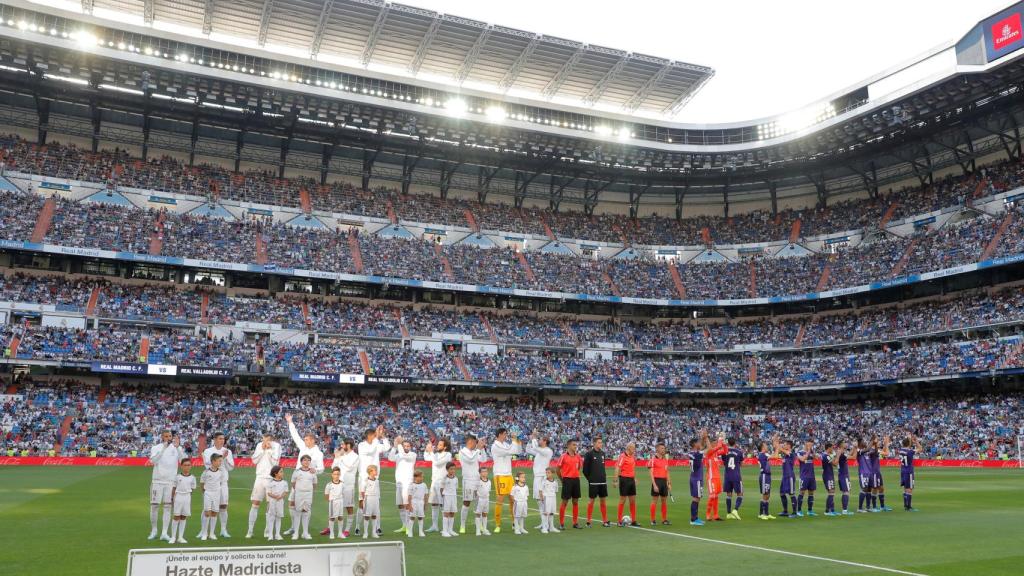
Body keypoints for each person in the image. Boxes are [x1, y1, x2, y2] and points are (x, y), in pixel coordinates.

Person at [284, 414, 324, 536]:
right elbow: (295, 436)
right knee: (291, 503)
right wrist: (290, 422)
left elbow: (321, 468)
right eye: (305, 439)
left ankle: (305, 531)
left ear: (313, 440)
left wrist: (314, 470)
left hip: (308, 481)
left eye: (307, 439)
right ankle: (293, 527)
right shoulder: (303, 447)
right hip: (297, 479)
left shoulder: (318, 453)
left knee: (306, 507)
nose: (305, 441)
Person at [148, 429, 184, 541]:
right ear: (162, 437)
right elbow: (153, 461)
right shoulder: (156, 448)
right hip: (157, 481)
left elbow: (183, 461)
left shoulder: (176, 448)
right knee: (154, 506)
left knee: (168, 507)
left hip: (170, 481)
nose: (168, 438)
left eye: (170, 436)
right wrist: (163, 448)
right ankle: (154, 531)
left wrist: (178, 448)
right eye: (166, 436)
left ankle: (164, 532)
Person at [357, 426, 390, 535]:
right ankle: (358, 527)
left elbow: (387, 447)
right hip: (364, 478)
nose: (375, 436)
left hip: (375, 478)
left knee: (376, 503)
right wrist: (377, 437)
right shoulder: (361, 445)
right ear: (369, 436)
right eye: (374, 435)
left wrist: (383, 436)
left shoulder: (376, 444)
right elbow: (370, 451)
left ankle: (377, 527)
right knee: (362, 502)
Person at [201, 432, 234, 538]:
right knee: (207, 508)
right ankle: (203, 531)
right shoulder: (208, 451)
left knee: (223, 506)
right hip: (211, 483)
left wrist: (225, 459)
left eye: (223, 439)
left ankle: (223, 530)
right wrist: (221, 458)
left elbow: (231, 468)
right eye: (220, 438)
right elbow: (207, 465)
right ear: (214, 440)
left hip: (223, 483)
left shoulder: (228, 451)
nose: (222, 440)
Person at [247, 433, 281, 539]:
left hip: (271, 479)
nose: (265, 442)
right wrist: (262, 450)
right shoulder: (259, 445)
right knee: (255, 503)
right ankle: (250, 531)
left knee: (270, 505)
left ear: (271, 440)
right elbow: (254, 461)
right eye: (264, 440)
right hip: (259, 477)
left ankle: (267, 531)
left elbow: (275, 463)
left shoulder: (277, 446)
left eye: (267, 440)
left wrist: (269, 450)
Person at [490, 427, 522, 534]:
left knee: (513, 499)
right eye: (504, 434)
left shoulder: (506, 444)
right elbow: (510, 451)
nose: (506, 436)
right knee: (500, 500)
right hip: (500, 475)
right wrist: (514, 440)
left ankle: (514, 523)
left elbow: (517, 451)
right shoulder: (495, 446)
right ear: (499, 434)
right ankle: (497, 524)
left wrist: (518, 441)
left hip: (509, 475)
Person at [457, 434, 486, 534]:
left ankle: (480, 524)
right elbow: (470, 459)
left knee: (479, 503)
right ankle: (462, 525)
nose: (476, 444)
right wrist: (478, 449)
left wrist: (482, 449)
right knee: (466, 503)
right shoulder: (462, 451)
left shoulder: (475, 452)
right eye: (475, 442)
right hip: (468, 480)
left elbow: (484, 459)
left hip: (477, 480)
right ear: (470, 442)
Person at [388, 437, 416, 534]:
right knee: (400, 505)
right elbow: (390, 458)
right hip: (399, 483)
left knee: (406, 504)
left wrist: (399, 445)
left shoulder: (413, 455)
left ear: (410, 447)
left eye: (408, 446)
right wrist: (394, 447)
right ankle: (404, 525)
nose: (406, 447)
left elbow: (404, 456)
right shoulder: (399, 454)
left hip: (407, 483)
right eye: (405, 446)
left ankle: (409, 527)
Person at [526, 431, 553, 528]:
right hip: (537, 477)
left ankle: (548, 523)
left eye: (540, 440)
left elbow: (535, 447)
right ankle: (543, 522)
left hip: (543, 477)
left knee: (544, 500)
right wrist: (530, 440)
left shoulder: (548, 451)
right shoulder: (539, 451)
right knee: (539, 500)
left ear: (545, 441)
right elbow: (528, 449)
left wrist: (534, 437)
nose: (538, 441)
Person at [424, 438, 452, 533]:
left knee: (443, 505)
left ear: (445, 447)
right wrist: (427, 449)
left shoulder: (448, 455)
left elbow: (436, 463)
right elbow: (426, 458)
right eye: (438, 444)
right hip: (434, 482)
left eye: (440, 445)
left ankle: (446, 528)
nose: (437, 446)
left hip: (442, 483)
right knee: (434, 504)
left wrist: (431, 452)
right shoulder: (435, 455)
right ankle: (434, 526)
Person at [582, 436, 610, 527]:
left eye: (601, 442)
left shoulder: (602, 453)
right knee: (591, 501)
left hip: (602, 481)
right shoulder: (589, 454)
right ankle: (588, 521)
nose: (601, 444)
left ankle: (605, 521)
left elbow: (603, 467)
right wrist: (590, 479)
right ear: (594, 443)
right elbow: (585, 470)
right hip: (593, 482)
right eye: (599, 442)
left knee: (603, 501)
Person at [333, 439, 360, 536]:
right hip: (338, 484)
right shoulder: (342, 456)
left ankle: (347, 529)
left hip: (348, 485)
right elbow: (333, 468)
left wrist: (340, 457)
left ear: (348, 445)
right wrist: (336, 458)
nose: (341, 446)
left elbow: (349, 467)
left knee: (349, 507)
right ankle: (330, 527)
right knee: (335, 506)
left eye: (342, 444)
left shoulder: (355, 456)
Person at [685, 431, 711, 526]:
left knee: (696, 498)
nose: (700, 444)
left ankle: (695, 518)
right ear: (695, 444)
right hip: (697, 479)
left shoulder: (692, 453)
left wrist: (703, 438)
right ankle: (693, 519)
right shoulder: (697, 454)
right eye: (698, 443)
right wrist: (706, 437)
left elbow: (702, 447)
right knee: (696, 499)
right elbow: (709, 448)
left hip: (693, 477)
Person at [556, 438, 583, 529]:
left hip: (576, 480)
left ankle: (575, 523)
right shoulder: (563, 456)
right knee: (565, 501)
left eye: (576, 445)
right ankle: (561, 523)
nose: (575, 446)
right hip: (567, 480)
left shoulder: (578, 456)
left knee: (575, 501)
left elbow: (578, 468)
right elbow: (557, 469)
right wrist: (562, 479)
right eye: (573, 445)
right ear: (568, 446)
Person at [168, 457, 196, 545]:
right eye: (185, 465)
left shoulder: (192, 478)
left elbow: (192, 488)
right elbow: (174, 488)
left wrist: (188, 496)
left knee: (184, 516)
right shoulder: (177, 477)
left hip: (187, 497)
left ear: (191, 466)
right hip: (178, 497)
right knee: (176, 517)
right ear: (181, 466)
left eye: (189, 465)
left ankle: (180, 537)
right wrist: (172, 499)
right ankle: (173, 537)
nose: (187, 467)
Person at [199, 453, 226, 541]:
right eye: (219, 461)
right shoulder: (206, 472)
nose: (220, 463)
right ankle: (204, 533)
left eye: (221, 461)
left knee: (214, 513)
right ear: (213, 461)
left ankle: (211, 533)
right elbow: (202, 483)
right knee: (207, 513)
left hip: (217, 494)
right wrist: (205, 492)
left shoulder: (221, 472)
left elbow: (220, 482)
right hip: (208, 494)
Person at [290, 454, 317, 540]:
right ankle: (296, 533)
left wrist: (309, 491)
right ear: (301, 462)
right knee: (298, 512)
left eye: (308, 460)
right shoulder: (297, 472)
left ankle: (305, 533)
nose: (306, 462)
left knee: (306, 512)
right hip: (299, 494)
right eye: (305, 460)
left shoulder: (313, 472)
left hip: (308, 494)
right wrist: (299, 490)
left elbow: (315, 484)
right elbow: (293, 483)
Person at [704, 432, 728, 521]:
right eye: (713, 443)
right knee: (712, 496)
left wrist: (724, 443)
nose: (715, 444)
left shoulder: (716, 454)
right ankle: (708, 514)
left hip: (717, 477)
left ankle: (716, 515)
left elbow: (725, 451)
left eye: (715, 443)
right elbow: (718, 447)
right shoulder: (709, 453)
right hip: (711, 478)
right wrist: (720, 439)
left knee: (716, 497)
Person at [614, 442, 638, 527]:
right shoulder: (622, 456)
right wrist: (615, 480)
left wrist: (634, 478)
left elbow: (632, 468)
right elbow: (617, 467)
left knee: (632, 500)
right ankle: (619, 521)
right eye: (633, 448)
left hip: (631, 480)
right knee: (622, 500)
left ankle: (633, 521)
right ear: (629, 448)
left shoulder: (632, 457)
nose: (634, 450)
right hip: (624, 479)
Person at [649, 442, 671, 526]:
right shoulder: (653, 459)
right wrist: (654, 484)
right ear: (657, 449)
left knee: (664, 501)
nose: (663, 450)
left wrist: (669, 483)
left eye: (664, 448)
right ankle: (652, 520)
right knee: (654, 501)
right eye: (662, 448)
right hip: (657, 481)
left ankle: (664, 519)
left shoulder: (665, 460)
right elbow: (651, 473)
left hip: (664, 481)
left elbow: (667, 472)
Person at [898, 435, 922, 511]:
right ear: (909, 444)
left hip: (903, 470)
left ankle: (905, 505)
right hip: (909, 471)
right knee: (909, 488)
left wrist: (910, 440)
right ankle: (909, 507)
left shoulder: (901, 450)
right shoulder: (910, 451)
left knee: (905, 488)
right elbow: (920, 449)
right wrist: (916, 441)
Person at [723, 437, 744, 520]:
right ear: (735, 443)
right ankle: (735, 510)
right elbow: (741, 464)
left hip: (727, 475)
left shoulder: (725, 452)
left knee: (729, 494)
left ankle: (728, 513)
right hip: (736, 475)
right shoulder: (739, 452)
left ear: (728, 443)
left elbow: (724, 463)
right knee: (740, 493)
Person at [756, 438, 777, 520]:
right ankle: (761, 514)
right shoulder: (762, 455)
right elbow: (775, 456)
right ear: (762, 447)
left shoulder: (765, 454)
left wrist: (776, 447)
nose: (767, 446)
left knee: (767, 495)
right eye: (765, 445)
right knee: (765, 495)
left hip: (767, 476)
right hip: (764, 475)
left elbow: (774, 455)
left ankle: (766, 513)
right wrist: (777, 447)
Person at [265, 465, 288, 541]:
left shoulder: (284, 483)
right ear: (275, 473)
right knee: (271, 517)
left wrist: (280, 497)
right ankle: (270, 535)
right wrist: (275, 497)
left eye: (282, 471)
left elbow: (285, 492)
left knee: (279, 517)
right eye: (281, 472)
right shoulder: (270, 483)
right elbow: (269, 493)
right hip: (272, 501)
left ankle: (277, 534)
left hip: (280, 502)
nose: (282, 473)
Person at [795, 440, 816, 517]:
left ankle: (810, 510)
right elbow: (802, 459)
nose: (810, 446)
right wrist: (808, 451)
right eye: (809, 444)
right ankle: (799, 510)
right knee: (802, 492)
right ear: (805, 443)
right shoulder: (800, 452)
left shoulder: (811, 452)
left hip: (812, 476)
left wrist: (812, 451)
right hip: (804, 476)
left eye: (812, 445)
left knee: (811, 493)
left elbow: (816, 458)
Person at [324, 467, 346, 539]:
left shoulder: (342, 484)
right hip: (333, 502)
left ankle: (340, 533)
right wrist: (331, 501)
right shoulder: (329, 485)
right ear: (332, 475)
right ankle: (332, 533)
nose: (336, 476)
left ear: (340, 475)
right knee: (332, 518)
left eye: (338, 474)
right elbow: (326, 495)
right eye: (335, 474)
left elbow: (344, 493)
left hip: (340, 501)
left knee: (340, 517)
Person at [360, 464, 381, 540]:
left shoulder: (377, 481)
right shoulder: (365, 481)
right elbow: (362, 491)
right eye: (375, 470)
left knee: (374, 515)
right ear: (370, 471)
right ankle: (365, 532)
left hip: (376, 499)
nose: (377, 471)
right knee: (367, 516)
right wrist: (363, 500)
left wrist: (378, 498)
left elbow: (378, 490)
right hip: (368, 498)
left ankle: (373, 532)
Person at [440, 461, 460, 537]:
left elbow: (456, 488)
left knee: (452, 513)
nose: (453, 471)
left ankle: (450, 530)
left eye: (454, 469)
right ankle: (444, 531)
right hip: (447, 496)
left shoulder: (456, 479)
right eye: (451, 469)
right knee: (446, 513)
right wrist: (443, 497)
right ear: (447, 470)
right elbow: (441, 488)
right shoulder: (444, 478)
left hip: (453, 497)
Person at [407, 470, 428, 537]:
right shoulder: (412, 485)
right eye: (420, 477)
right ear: (415, 477)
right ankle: (410, 532)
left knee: (420, 517)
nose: (422, 478)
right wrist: (410, 505)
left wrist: (425, 504)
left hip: (421, 502)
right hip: (414, 502)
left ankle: (420, 532)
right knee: (412, 517)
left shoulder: (424, 485)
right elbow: (409, 496)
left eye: (422, 477)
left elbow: (426, 495)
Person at [539, 466, 560, 534]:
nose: (547, 474)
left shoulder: (555, 482)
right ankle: (544, 528)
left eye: (548, 473)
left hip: (553, 498)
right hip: (546, 498)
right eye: (546, 473)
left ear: (553, 473)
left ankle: (551, 527)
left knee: (551, 513)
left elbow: (556, 490)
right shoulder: (544, 481)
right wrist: (542, 498)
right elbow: (540, 490)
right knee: (545, 513)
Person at [779, 440, 797, 518]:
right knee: (782, 493)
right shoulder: (785, 455)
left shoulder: (791, 454)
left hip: (790, 477)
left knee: (791, 494)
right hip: (784, 477)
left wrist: (778, 445)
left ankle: (794, 512)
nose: (783, 445)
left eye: (785, 444)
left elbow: (781, 449)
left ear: (789, 446)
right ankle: (785, 511)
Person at [837, 440, 854, 515]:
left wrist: (853, 448)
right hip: (844, 475)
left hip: (841, 474)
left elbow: (848, 455)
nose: (846, 444)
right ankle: (845, 510)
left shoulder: (840, 452)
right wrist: (855, 448)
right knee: (846, 492)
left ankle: (844, 509)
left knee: (845, 492)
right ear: (841, 445)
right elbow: (853, 457)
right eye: (844, 443)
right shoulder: (841, 453)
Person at [475, 467, 493, 536]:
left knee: (485, 514)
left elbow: (488, 490)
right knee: (478, 514)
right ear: (480, 473)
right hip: (480, 499)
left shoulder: (489, 481)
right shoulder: (478, 481)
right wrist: (476, 499)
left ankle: (484, 529)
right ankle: (478, 530)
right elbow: (475, 490)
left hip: (486, 499)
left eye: (486, 471)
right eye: (483, 471)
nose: (484, 473)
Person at [821, 442, 837, 516]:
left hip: (829, 475)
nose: (833, 449)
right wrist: (836, 455)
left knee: (832, 492)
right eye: (832, 448)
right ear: (829, 448)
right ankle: (827, 511)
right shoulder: (825, 456)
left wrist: (833, 455)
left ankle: (832, 510)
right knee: (831, 492)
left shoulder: (826, 455)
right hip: (828, 475)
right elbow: (835, 464)